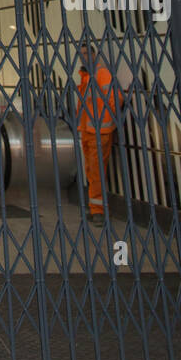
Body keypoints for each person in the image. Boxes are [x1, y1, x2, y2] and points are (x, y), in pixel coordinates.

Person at [77, 40, 117, 224]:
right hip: (87, 131)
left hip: (99, 132)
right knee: (91, 170)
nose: (84, 57)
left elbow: (114, 100)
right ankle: (95, 208)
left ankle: (98, 211)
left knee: (96, 172)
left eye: (87, 53)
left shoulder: (101, 74)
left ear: (94, 55)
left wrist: (105, 123)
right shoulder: (85, 76)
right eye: (82, 54)